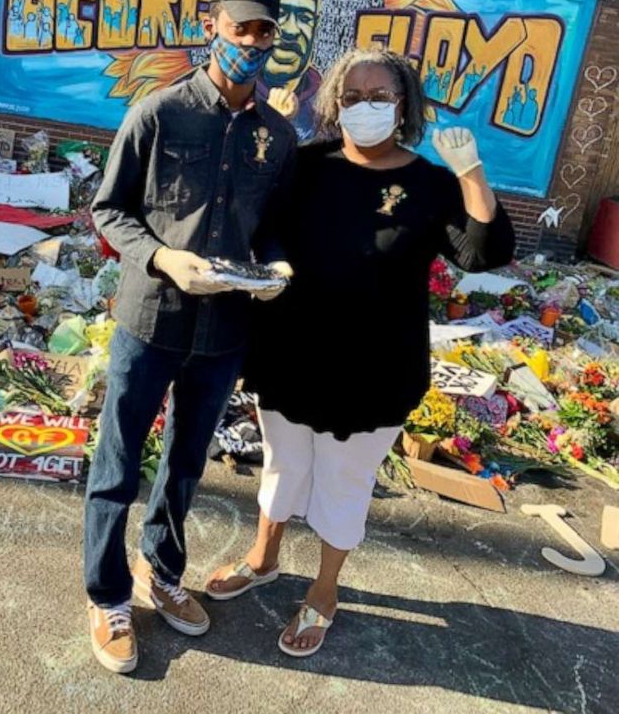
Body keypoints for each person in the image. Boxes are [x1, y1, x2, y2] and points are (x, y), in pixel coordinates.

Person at [206, 45, 515, 658]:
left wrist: (471, 173)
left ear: (403, 106)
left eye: (380, 96)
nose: (365, 107)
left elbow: (484, 252)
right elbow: (262, 225)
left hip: (375, 368)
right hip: (292, 354)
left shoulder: (429, 184)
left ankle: (324, 591)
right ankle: (263, 558)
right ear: (334, 104)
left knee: (344, 484)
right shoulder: (310, 163)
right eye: (352, 97)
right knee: (282, 465)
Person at [85, 0, 297, 674]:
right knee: (118, 463)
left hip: (224, 331)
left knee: (185, 466)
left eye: (265, 30)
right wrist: (161, 258)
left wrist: (277, 266)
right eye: (241, 26)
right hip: (152, 319)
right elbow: (109, 208)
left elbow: (271, 226)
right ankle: (108, 594)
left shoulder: (278, 135)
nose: (252, 41)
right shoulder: (160, 112)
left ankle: (162, 573)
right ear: (212, 26)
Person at [258, 0, 322, 142]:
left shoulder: (329, 106)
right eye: (280, 13)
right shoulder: (229, 93)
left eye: (304, 18)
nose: (291, 30)